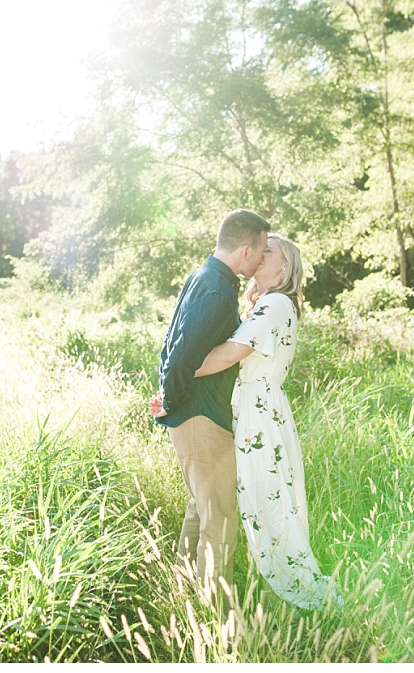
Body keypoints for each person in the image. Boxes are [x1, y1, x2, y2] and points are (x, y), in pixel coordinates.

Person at [193, 234, 343, 609]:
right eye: (258, 250)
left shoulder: (276, 304)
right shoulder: (266, 306)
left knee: (267, 503)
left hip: (258, 413)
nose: (259, 256)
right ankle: (204, 586)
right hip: (249, 406)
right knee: (244, 498)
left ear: (286, 266)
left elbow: (230, 354)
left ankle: (306, 593)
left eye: (269, 251)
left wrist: (178, 373)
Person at [150, 209, 271, 606]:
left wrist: (170, 401)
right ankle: (217, 619)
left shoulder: (205, 278)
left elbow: (174, 346)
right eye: (262, 252)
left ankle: (180, 599)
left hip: (194, 414)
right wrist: (171, 400)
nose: (261, 261)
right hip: (200, 416)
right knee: (219, 521)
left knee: (201, 511)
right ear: (245, 250)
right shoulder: (218, 288)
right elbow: (182, 354)